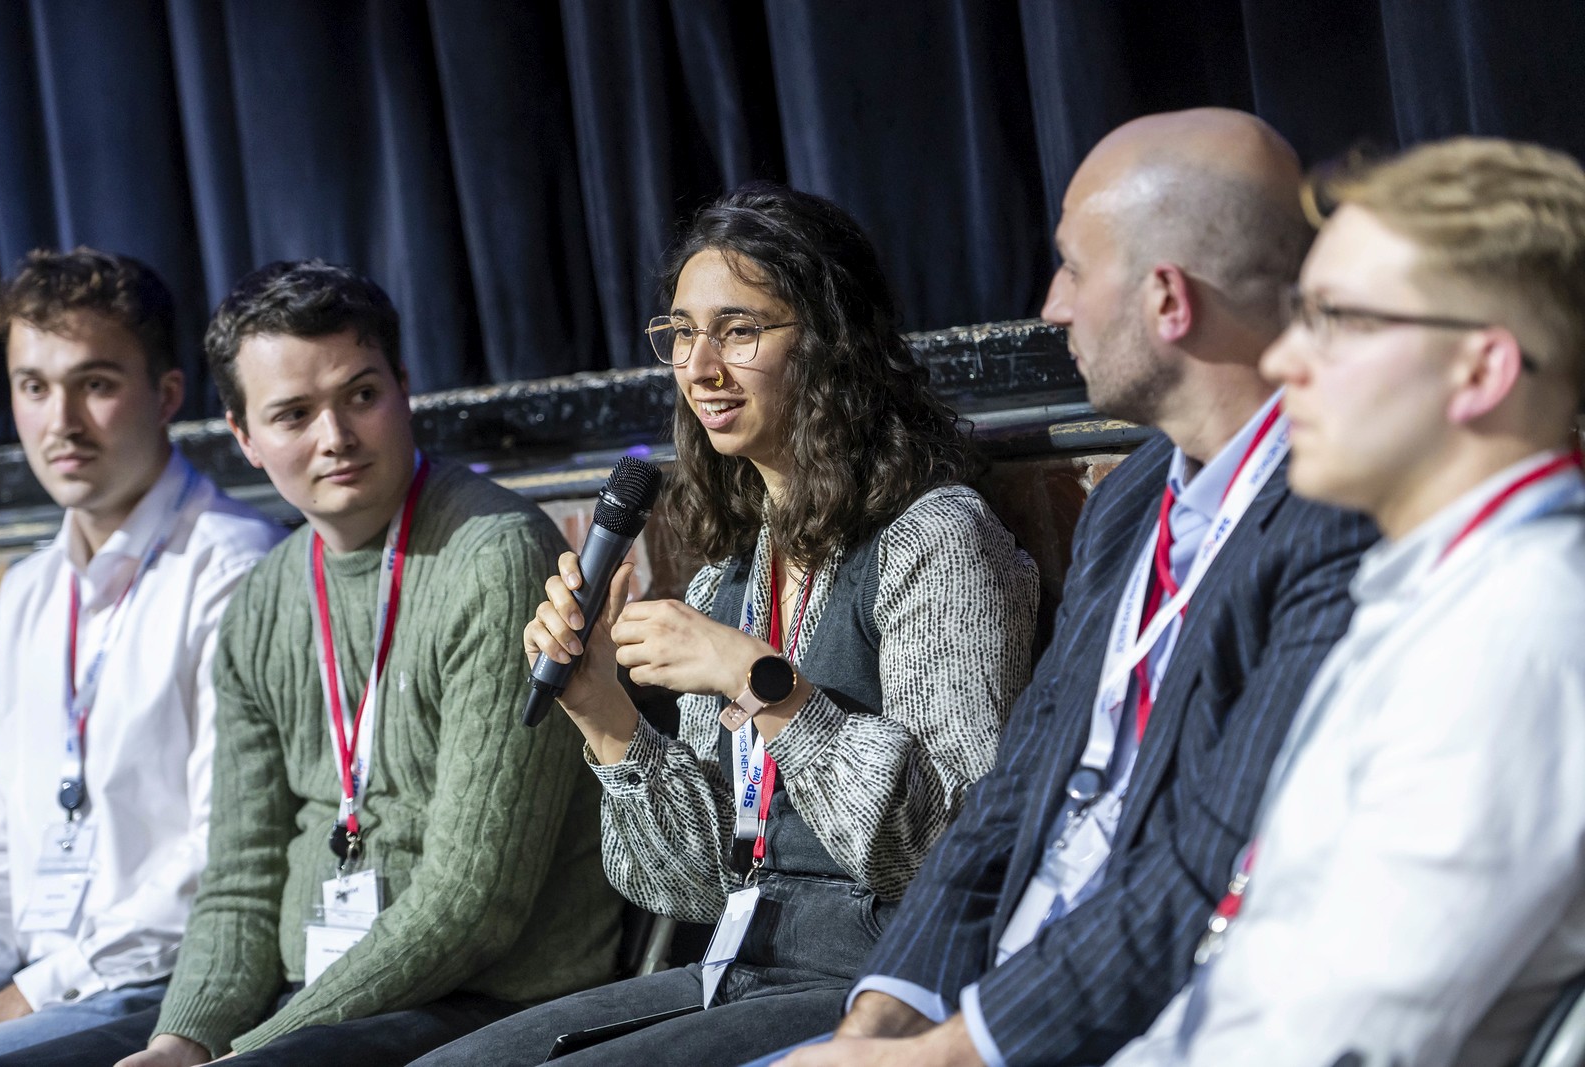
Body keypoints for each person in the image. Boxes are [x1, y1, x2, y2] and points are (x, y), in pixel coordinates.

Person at [762, 109, 1378, 1067]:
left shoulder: (1337, 518)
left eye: (1075, 269)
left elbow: (1202, 865)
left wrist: (945, 1054)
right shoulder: (1131, 501)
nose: (1051, 304)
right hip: (989, 998)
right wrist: (877, 1017)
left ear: (1168, 300)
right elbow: (1011, 795)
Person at [409, 183, 1040, 1067]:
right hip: (735, 963)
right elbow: (697, 882)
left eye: (739, 330)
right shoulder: (727, 576)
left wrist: (758, 678)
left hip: (878, 984)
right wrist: (603, 711)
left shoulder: (935, 538)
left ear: (830, 344)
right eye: (679, 334)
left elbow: (952, 850)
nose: (700, 366)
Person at [0, 260, 622, 1067]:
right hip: (311, 999)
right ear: (245, 438)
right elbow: (242, 880)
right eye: (293, 413)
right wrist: (182, 1038)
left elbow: (473, 902)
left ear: (404, 386)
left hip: (483, 997)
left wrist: (250, 1049)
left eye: (361, 395)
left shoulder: (492, 557)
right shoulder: (266, 597)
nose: (336, 438)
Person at [1106, 137, 1585, 1067]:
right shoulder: (1438, 588)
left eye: (1337, 319)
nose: (1283, 358)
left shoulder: (1517, 627)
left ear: (1480, 371)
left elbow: (1346, 1039)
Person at [0, 248, 283, 1055]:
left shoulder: (232, 563)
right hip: (34, 973)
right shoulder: (29, 588)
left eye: (96, 383)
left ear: (167, 395)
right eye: (33, 386)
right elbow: (1, 835)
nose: (60, 422)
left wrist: (25, 994)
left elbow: (222, 854)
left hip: (161, 983)